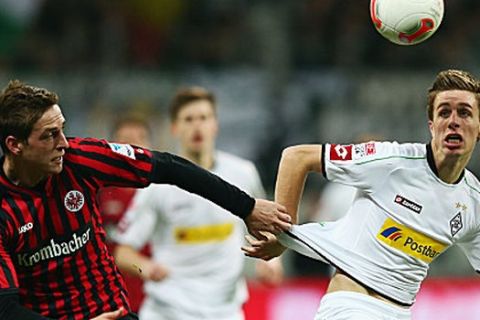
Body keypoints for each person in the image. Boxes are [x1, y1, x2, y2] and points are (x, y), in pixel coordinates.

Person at [0, 80, 291, 320]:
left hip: (115, 314)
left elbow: (166, 166)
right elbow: (5, 308)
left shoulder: (80, 158)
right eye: (50, 135)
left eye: (62, 129)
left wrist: (246, 207)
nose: (63, 142)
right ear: (15, 145)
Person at [243, 69, 480, 320]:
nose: (453, 121)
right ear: (432, 127)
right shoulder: (391, 161)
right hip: (352, 306)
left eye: (464, 112)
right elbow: (296, 157)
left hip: (401, 312)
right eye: (444, 112)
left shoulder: (473, 202)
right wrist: (282, 232)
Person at [113, 86, 284, 320]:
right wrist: (146, 267)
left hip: (225, 311)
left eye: (204, 118)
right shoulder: (157, 186)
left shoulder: (243, 173)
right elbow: (123, 252)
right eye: (189, 119)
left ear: (215, 125)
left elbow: (265, 226)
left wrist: (273, 261)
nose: (197, 126)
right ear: (175, 127)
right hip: (169, 310)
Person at [97, 114, 153, 313]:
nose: (132, 147)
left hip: (157, 299)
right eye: (124, 141)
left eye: (139, 139)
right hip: (111, 302)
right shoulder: (96, 193)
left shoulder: (163, 194)